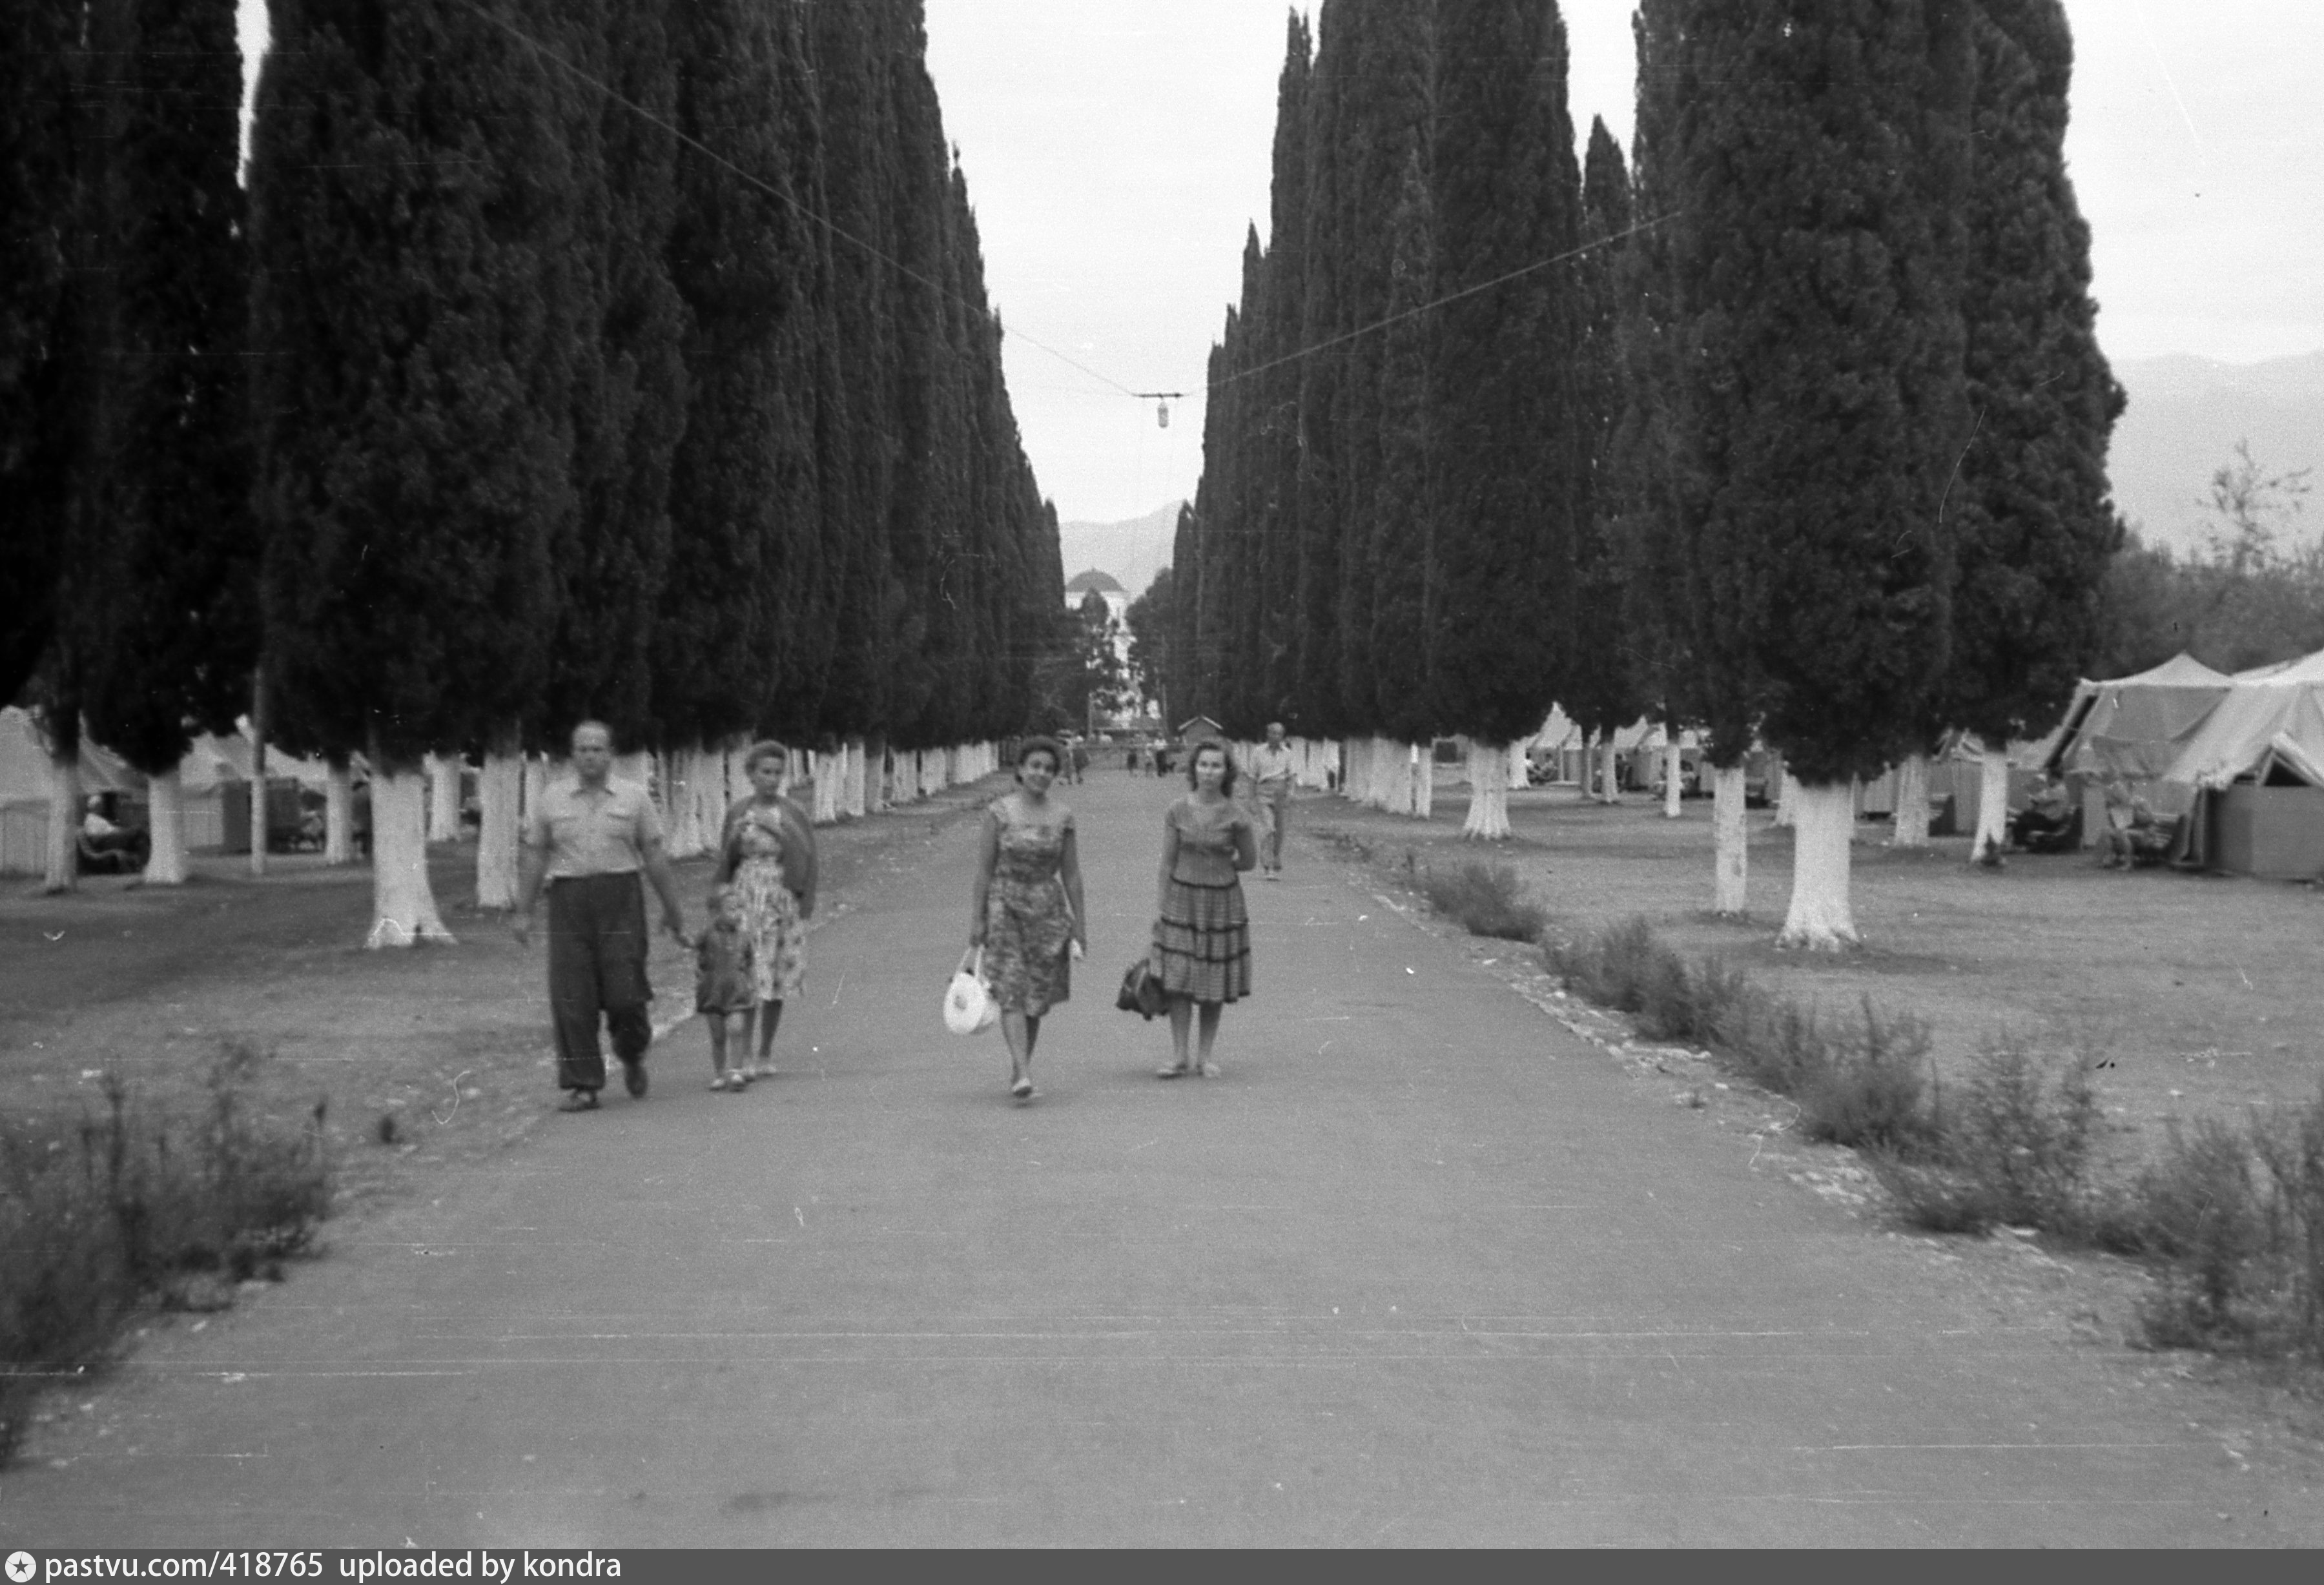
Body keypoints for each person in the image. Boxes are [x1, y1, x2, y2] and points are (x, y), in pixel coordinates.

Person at [513, 721, 689, 1111]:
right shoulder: (551, 799)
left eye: (597, 749)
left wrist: (673, 910)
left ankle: (631, 1054)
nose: (589, 756)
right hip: (569, 901)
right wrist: (523, 911)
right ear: (572, 755)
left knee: (626, 994)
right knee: (572, 996)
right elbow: (536, 855)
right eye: (581, 749)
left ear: (610, 754)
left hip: (621, 899)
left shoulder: (634, 798)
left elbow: (655, 855)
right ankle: (584, 1084)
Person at [970, 736, 1087, 1102]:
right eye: (1035, 766)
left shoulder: (1063, 816)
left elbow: (1071, 875)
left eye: (1049, 769)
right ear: (1020, 769)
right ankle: (1022, 1071)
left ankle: (1020, 1065)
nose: (1042, 773)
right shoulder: (999, 813)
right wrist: (977, 920)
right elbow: (983, 871)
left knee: (1037, 996)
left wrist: (1080, 926)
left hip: (1048, 913)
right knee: (1011, 990)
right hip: (1005, 907)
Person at [714, 740, 819, 1081]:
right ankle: (742, 1054)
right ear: (751, 774)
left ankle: (765, 1052)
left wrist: (805, 906)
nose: (772, 780)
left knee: (775, 979)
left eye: (777, 773)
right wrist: (720, 898)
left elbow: (807, 856)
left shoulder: (792, 813)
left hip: (781, 899)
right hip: (746, 897)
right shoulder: (739, 811)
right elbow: (726, 860)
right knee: (748, 976)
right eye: (765, 772)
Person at [1152, 741, 1257, 1079]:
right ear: (1193, 769)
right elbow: (1167, 862)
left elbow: (1249, 861)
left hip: (1222, 904)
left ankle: (1205, 1056)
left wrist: (1219, 866)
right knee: (1179, 977)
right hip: (1182, 900)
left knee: (1214, 977)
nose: (1209, 772)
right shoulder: (1176, 810)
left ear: (1227, 772)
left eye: (1216, 766)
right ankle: (1179, 1055)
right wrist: (1162, 906)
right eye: (1204, 765)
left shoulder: (1237, 815)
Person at [695, 885, 757, 1092]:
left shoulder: (744, 936)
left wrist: (752, 982)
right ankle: (720, 1073)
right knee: (718, 1035)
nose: (737, 914)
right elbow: (696, 951)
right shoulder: (708, 934)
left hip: (737, 991)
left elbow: (750, 962)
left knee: (737, 1029)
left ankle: (736, 1070)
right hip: (713, 992)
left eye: (739, 908)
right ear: (716, 913)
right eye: (731, 909)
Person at [1250, 721, 1297, 881]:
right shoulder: (1258, 752)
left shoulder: (1288, 754)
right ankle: (1268, 866)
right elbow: (1252, 777)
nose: (1275, 736)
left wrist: (1291, 793)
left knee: (1280, 831)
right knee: (1269, 829)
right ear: (1267, 734)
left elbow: (1292, 776)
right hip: (1263, 792)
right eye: (1272, 733)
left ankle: (1276, 856)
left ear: (1283, 736)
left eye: (1279, 734)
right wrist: (1251, 799)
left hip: (1281, 794)